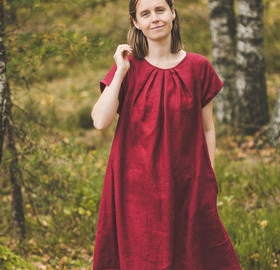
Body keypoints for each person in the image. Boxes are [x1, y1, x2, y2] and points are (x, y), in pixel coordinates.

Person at [91, 0, 241, 269]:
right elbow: (100, 121)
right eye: (145, 14)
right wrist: (120, 73)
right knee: (143, 258)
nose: (154, 18)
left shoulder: (198, 67)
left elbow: (208, 128)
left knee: (195, 254)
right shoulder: (128, 67)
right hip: (135, 186)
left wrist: (207, 177)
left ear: (172, 12)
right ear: (136, 23)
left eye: (160, 10)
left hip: (186, 181)